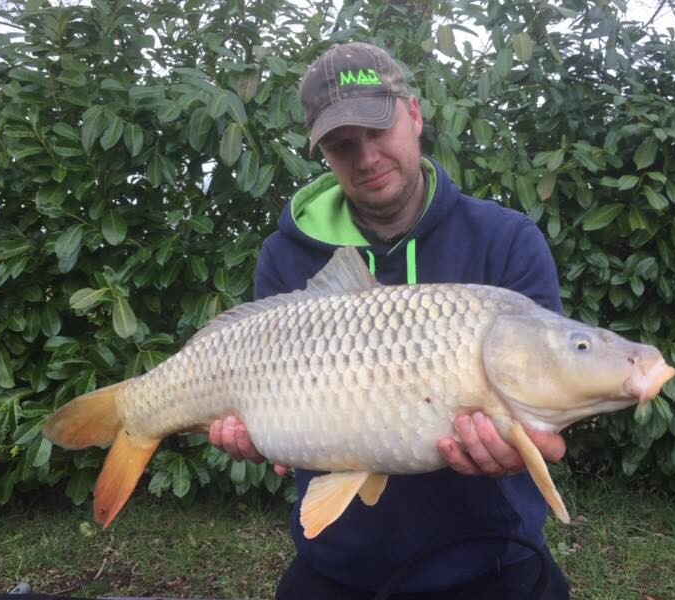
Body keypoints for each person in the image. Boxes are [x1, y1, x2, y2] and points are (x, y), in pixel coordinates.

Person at [209, 41, 570, 599]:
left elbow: (549, 414)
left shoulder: (505, 241)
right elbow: (264, 418)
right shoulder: (286, 256)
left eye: (378, 130)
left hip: (492, 557)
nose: (367, 157)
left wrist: (526, 447)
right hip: (340, 561)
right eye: (343, 144)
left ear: (415, 115)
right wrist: (256, 433)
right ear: (325, 154)